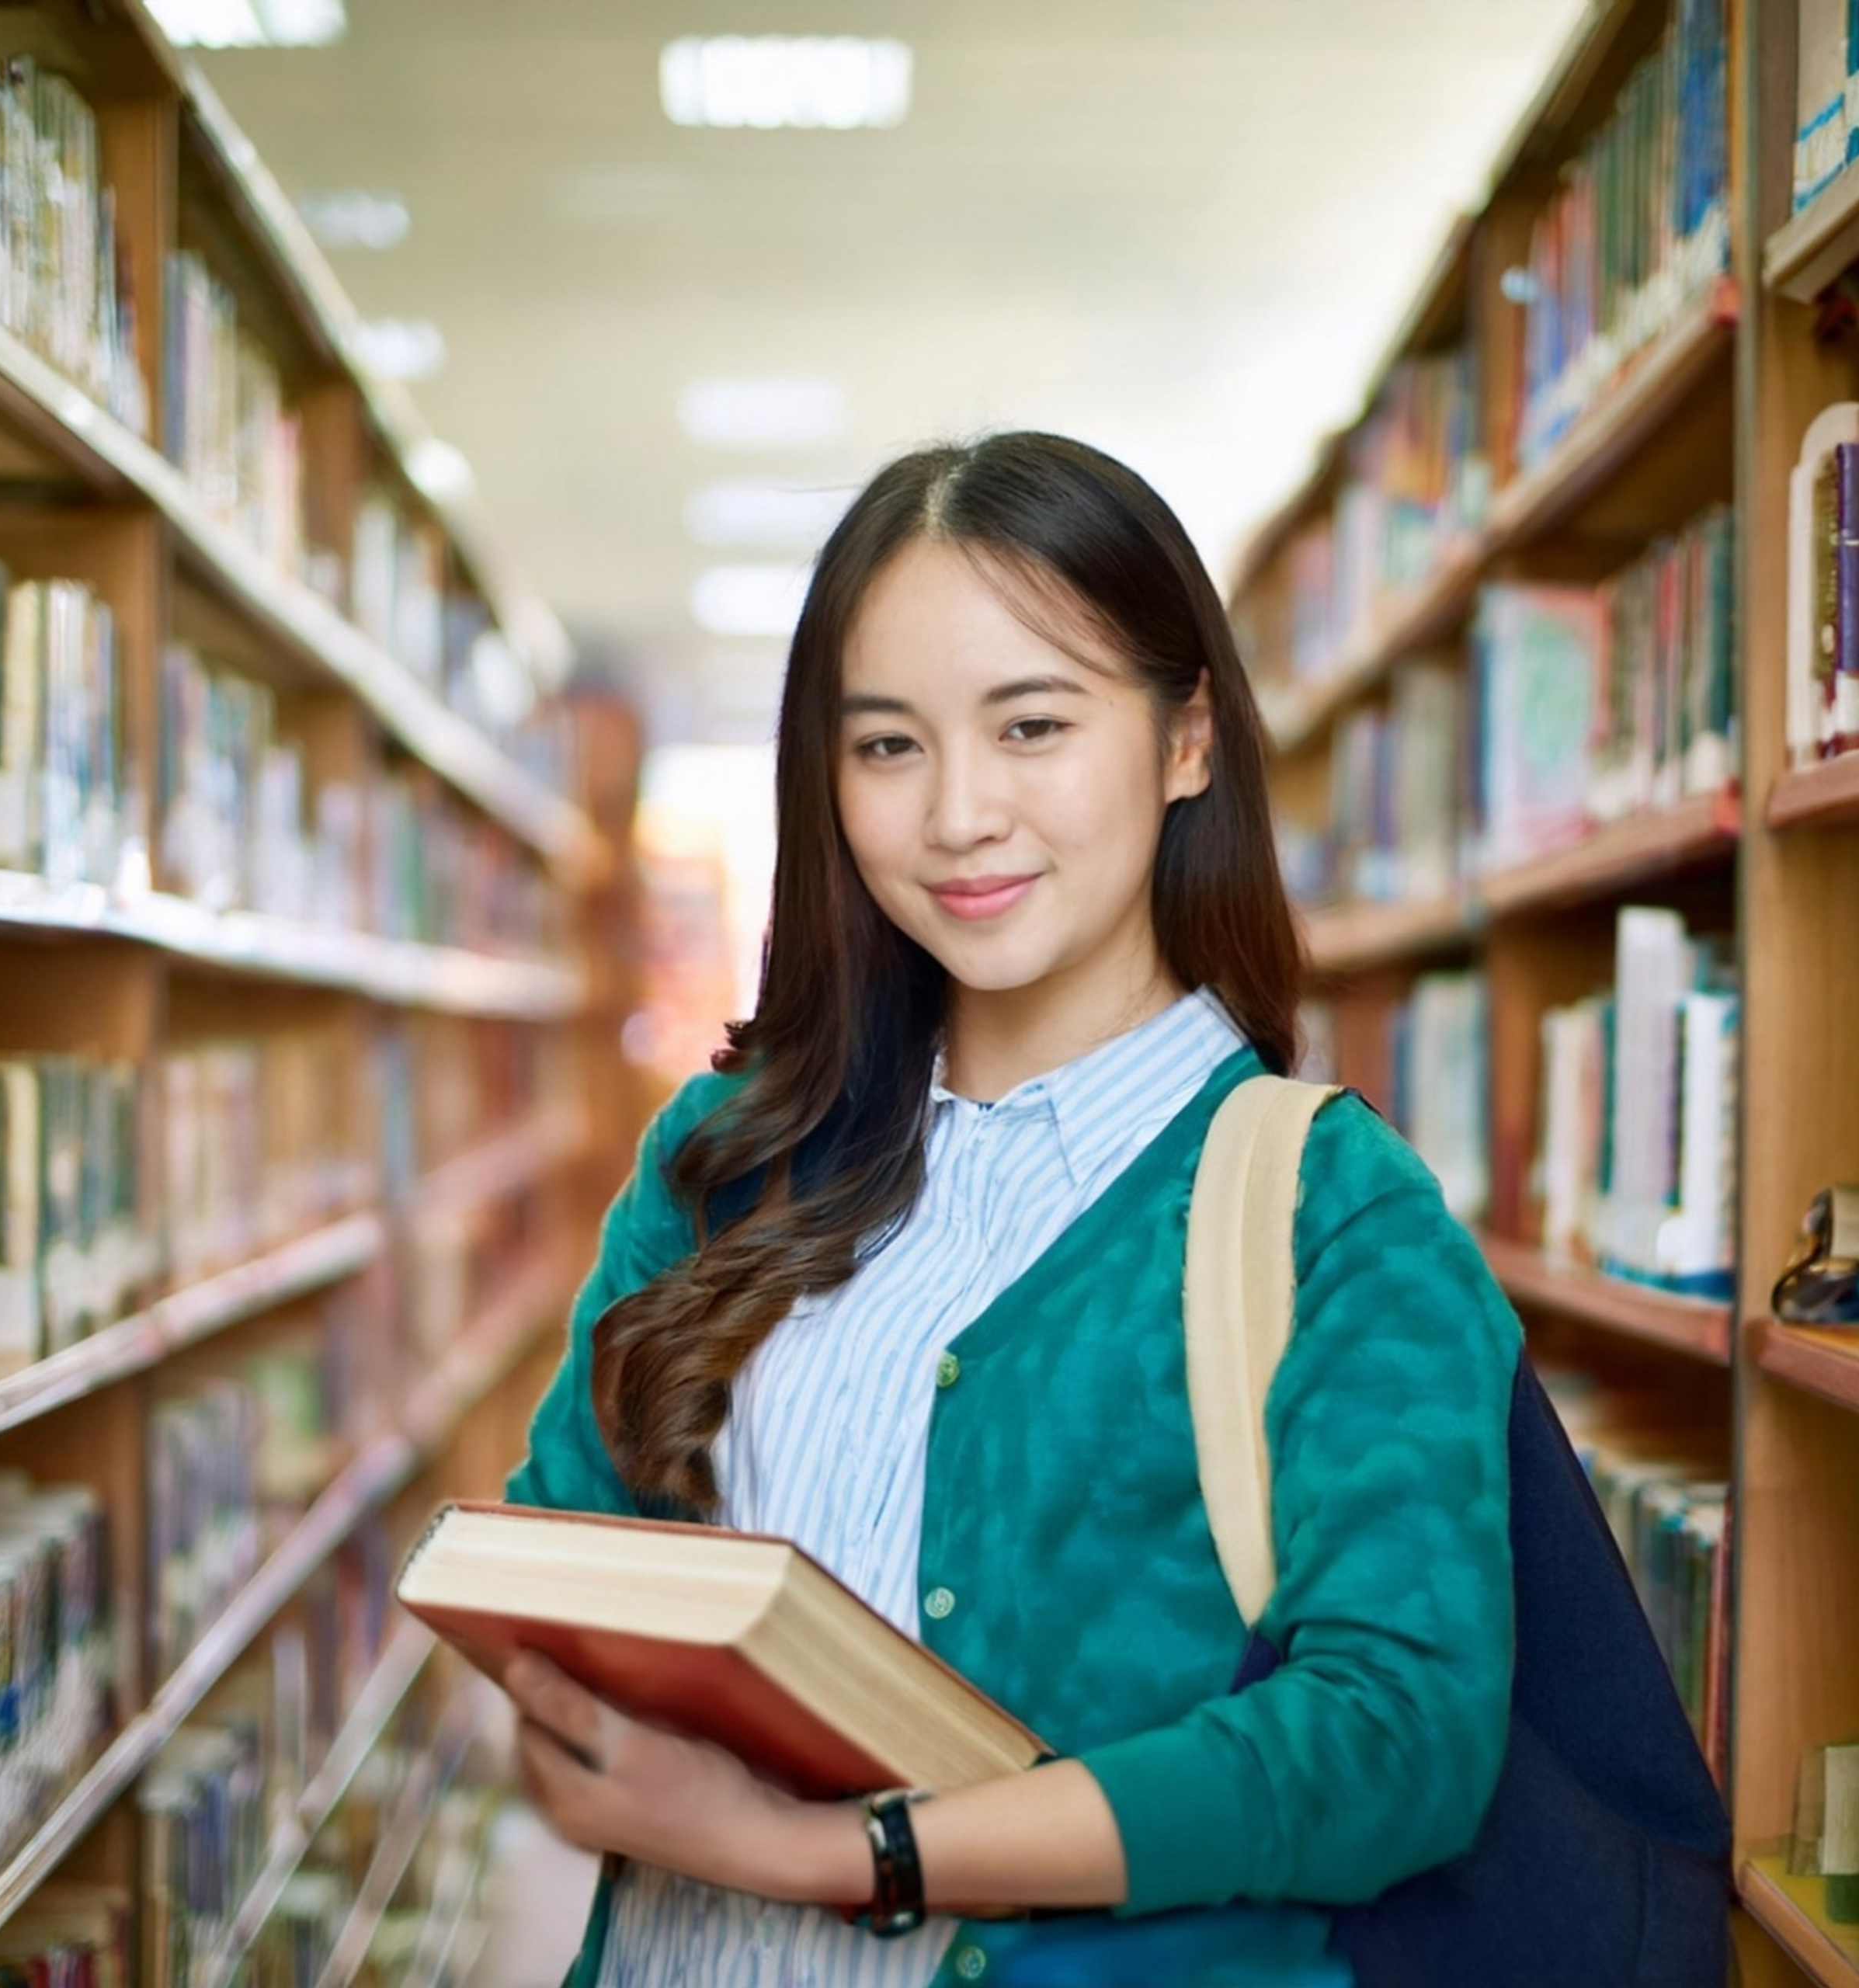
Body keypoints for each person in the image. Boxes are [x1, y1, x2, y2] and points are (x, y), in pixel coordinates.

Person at [497, 430, 1521, 1988]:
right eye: (887, 746)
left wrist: (837, 1850)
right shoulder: (727, 1152)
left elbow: (1398, 1737)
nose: (959, 814)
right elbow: (562, 1567)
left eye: (1032, 725)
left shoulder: (1330, 1212)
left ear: (1187, 739)